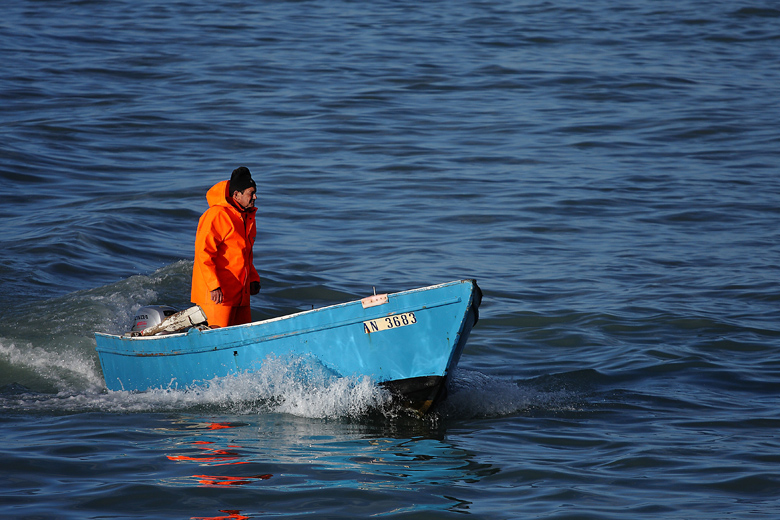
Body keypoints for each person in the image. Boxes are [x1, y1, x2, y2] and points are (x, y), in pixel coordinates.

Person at [191, 166, 261, 328]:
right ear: (236, 195)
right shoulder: (216, 215)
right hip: (217, 296)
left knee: (243, 340)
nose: (255, 197)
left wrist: (253, 278)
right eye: (251, 193)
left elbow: (244, 255)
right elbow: (204, 254)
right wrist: (213, 285)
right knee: (216, 342)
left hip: (240, 294)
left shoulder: (246, 217)